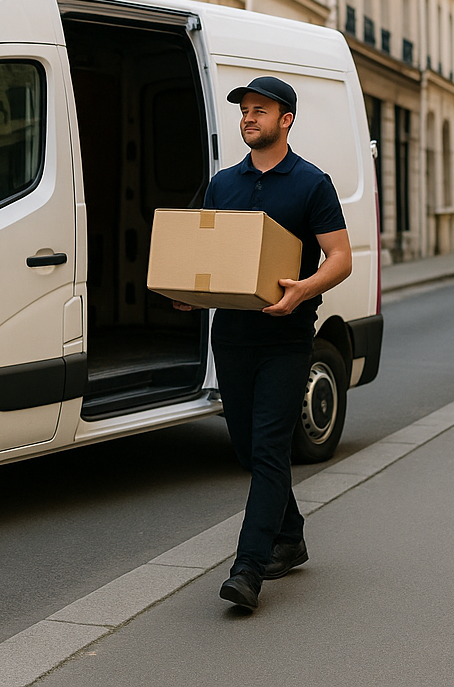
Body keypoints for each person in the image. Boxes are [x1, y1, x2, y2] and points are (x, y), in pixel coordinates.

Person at [173, 75, 352, 611]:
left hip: (286, 337)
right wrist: (189, 293)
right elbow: (204, 254)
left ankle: (248, 566)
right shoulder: (223, 185)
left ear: (286, 119)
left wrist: (303, 291)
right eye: (244, 110)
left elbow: (340, 258)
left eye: (260, 110)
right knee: (251, 449)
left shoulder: (311, 183)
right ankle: (290, 537)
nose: (249, 118)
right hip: (230, 335)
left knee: (271, 446)